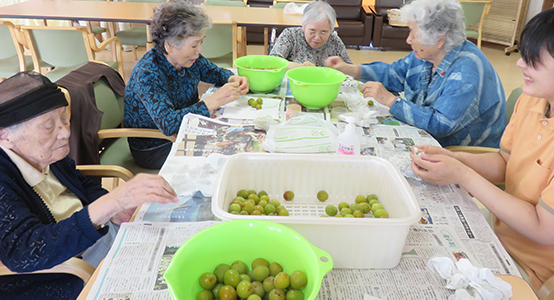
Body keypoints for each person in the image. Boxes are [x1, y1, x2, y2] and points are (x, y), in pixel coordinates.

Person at [410, 3, 554, 298]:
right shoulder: (535, 100)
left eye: (533, 60)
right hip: (496, 234)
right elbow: (505, 162)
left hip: (535, 269)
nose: (519, 65)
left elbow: (543, 228)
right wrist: (455, 159)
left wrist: (463, 174)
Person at [0, 72, 179, 300]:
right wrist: (110, 203)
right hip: (63, 271)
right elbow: (23, 251)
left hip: (92, 236)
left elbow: (81, 184)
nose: (65, 132)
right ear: (4, 137)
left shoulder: (46, 153)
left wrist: (115, 210)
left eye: (64, 119)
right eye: (48, 127)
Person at [325, 0, 506, 148]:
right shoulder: (428, 53)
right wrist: (351, 69)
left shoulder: (466, 72)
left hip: (462, 153)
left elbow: (440, 124)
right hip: (432, 139)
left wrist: (390, 100)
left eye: (413, 33)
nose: (408, 39)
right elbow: (394, 74)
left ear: (438, 39)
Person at [124, 0, 249, 169]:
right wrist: (213, 101)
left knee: (240, 140)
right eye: (194, 45)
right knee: (228, 154)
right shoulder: (148, 73)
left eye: (201, 42)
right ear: (169, 45)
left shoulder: (189, 59)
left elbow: (215, 72)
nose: (199, 50)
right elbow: (169, 124)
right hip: (156, 146)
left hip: (186, 131)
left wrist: (231, 78)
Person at [269, 0, 351, 70]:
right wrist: (300, 67)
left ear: (331, 30)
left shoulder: (334, 41)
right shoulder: (290, 35)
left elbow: (349, 68)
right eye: (312, 31)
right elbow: (272, 62)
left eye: (324, 32)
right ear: (303, 27)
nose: (317, 37)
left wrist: (342, 68)